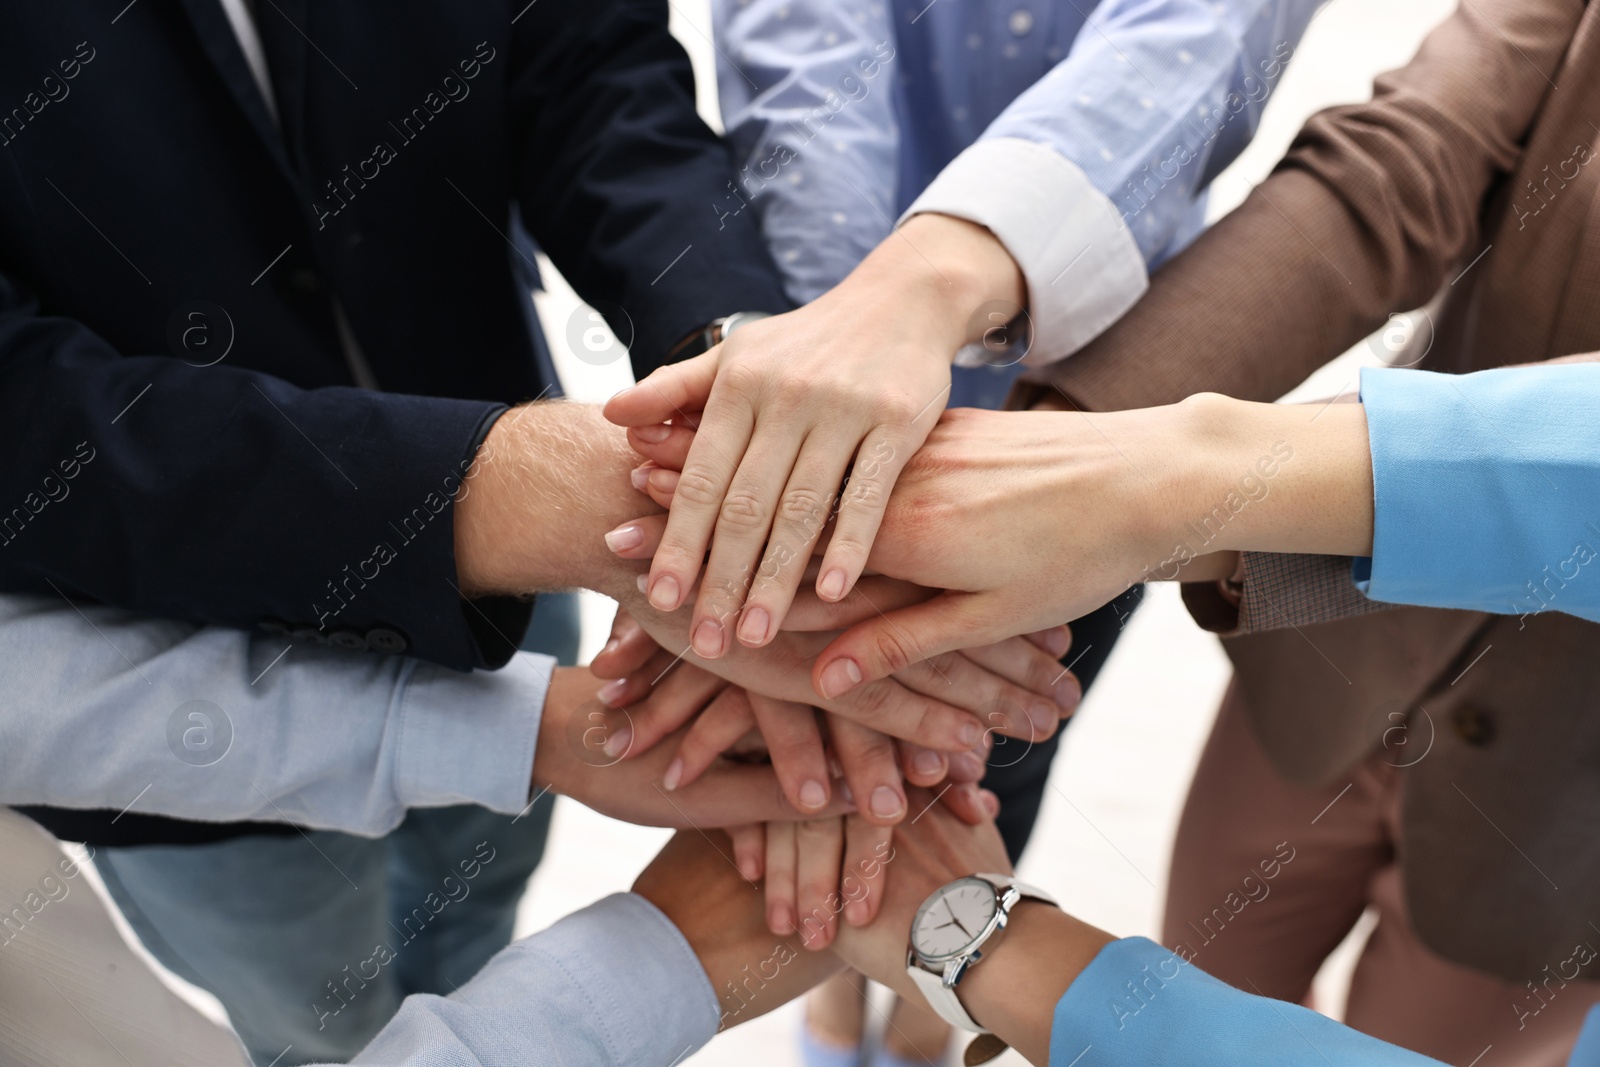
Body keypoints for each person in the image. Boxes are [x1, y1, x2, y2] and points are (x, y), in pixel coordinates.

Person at [0, 4, 1065, 1059]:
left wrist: (735, 384)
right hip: (158, 660)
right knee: (314, 1011)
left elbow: (589, 61)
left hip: (523, 596)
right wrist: (527, 494)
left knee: (478, 891)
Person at [611, 1, 1320, 1057]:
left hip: (1111, 361)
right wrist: (833, 409)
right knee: (874, 716)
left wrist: (899, 324)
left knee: (997, 735)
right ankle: (856, 984)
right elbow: (806, 47)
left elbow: (1194, 45)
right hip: (817, 308)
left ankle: (924, 1002)